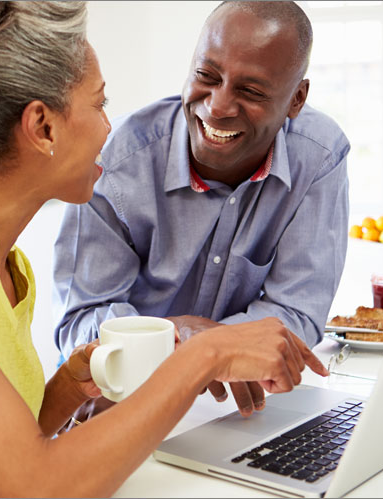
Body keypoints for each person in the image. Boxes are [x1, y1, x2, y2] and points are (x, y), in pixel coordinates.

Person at [0, 2, 329, 497]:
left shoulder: (4, 265)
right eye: (99, 104)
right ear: (43, 127)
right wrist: (204, 353)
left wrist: (68, 388)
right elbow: (36, 486)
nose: (110, 128)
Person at [53, 0, 350, 423]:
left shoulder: (319, 156)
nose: (218, 106)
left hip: (231, 409)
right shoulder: (116, 160)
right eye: (206, 77)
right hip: (121, 403)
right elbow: (80, 322)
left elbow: (297, 313)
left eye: (251, 91)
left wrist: (211, 349)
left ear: (296, 99)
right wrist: (191, 343)